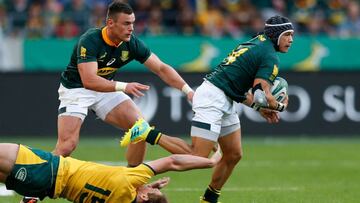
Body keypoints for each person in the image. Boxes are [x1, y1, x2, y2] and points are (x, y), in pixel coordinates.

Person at [120, 15, 294, 203]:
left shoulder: (257, 43)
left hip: (224, 97)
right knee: (198, 156)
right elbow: (260, 94)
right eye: (287, 34)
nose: (291, 39)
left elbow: (238, 88)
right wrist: (280, 105)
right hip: (213, 98)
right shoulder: (269, 55)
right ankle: (147, 133)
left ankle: (209, 199)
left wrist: (257, 107)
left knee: (233, 154)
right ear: (276, 34)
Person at [54, 1, 194, 162]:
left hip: (105, 88)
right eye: (126, 23)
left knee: (140, 130)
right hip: (76, 89)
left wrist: (187, 90)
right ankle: (36, 179)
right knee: (66, 146)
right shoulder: (90, 40)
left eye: (133, 23)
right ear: (110, 23)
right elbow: (89, 81)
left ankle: (135, 184)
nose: (131, 28)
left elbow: (161, 68)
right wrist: (124, 86)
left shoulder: (131, 43)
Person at [0, 143, 222, 203]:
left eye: (146, 189)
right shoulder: (125, 196)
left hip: (46, 167)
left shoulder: (130, 179)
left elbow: (173, 161)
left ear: (143, 196)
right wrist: (147, 191)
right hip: (41, 188)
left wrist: (211, 162)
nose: (147, 184)